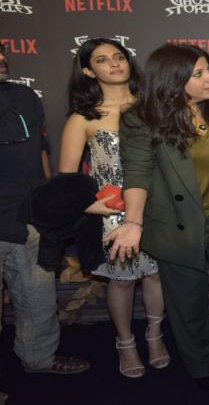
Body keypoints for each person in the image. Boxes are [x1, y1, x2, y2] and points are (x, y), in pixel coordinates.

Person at [105, 44, 209, 390]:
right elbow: (137, 174)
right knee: (188, 298)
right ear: (173, 80)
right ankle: (201, 364)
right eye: (199, 74)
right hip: (178, 222)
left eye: (208, 69)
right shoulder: (140, 120)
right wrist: (133, 223)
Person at [58, 38, 168, 378]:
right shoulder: (83, 118)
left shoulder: (153, 106)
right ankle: (125, 342)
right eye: (103, 60)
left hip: (157, 206)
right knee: (121, 282)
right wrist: (94, 208)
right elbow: (66, 180)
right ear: (90, 71)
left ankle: (155, 335)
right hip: (115, 214)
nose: (114, 64)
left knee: (155, 275)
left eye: (119, 57)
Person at [0, 44, 90, 397]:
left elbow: (41, 153)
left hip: (30, 218)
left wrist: (48, 206)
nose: (3, 59)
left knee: (38, 296)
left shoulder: (24, 96)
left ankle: (39, 357)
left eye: (2, 53)